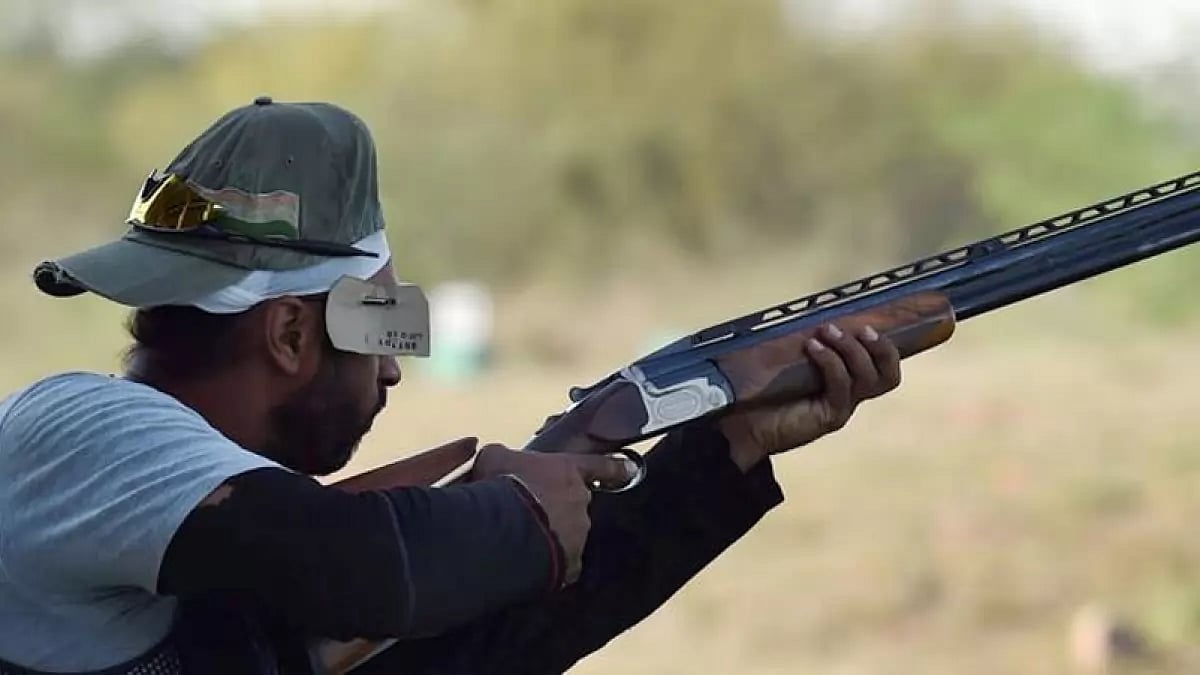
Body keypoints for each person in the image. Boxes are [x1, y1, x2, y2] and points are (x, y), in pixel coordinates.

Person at [0, 98, 903, 675]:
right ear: (290, 333)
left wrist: (730, 440)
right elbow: (370, 568)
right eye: (379, 324)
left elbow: (487, 644)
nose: (394, 363)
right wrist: (516, 505)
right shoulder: (77, 423)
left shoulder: (221, 574)